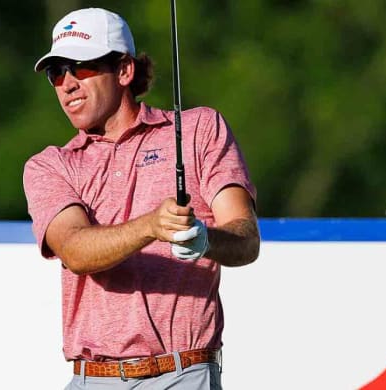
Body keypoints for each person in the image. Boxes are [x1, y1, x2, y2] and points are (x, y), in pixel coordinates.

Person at [23, 7, 259, 390]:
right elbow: (76, 251)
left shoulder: (200, 129)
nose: (66, 84)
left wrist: (205, 240)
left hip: (184, 374)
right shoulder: (50, 165)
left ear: (124, 71)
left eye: (80, 68)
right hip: (92, 379)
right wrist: (152, 226)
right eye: (56, 72)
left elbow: (246, 239)